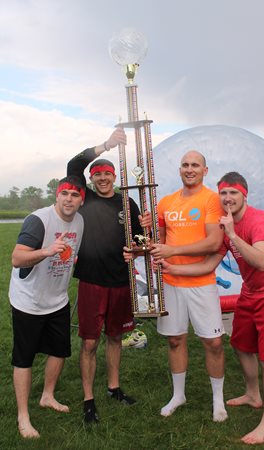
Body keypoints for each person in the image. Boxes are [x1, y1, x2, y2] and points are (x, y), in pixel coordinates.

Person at [158, 171, 264, 445]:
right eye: (223, 193)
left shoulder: (259, 221)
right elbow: (209, 265)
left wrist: (232, 234)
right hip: (250, 292)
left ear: (245, 195)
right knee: (241, 345)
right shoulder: (226, 225)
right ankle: (253, 394)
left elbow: (262, 261)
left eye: (233, 193)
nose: (228, 198)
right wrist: (173, 268)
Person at [67, 128, 151, 424]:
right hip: (91, 279)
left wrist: (139, 245)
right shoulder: (86, 198)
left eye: (107, 174)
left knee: (115, 336)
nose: (102, 178)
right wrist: (106, 145)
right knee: (90, 342)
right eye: (98, 175)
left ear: (114, 177)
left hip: (120, 281)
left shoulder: (126, 203)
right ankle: (88, 400)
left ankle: (113, 388)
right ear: (92, 179)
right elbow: (73, 165)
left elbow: (141, 243)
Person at [149, 150, 228, 422]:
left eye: (195, 165)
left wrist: (172, 251)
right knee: (175, 340)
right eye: (185, 164)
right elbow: (157, 241)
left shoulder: (211, 199)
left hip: (201, 283)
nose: (189, 169)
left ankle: (218, 400)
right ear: (179, 169)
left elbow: (213, 243)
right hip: (171, 282)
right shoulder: (166, 202)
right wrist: (148, 233)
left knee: (214, 342)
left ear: (205, 170)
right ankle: (178, 395)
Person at [9, 176, 85, 439]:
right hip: (28, 301)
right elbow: (17, 258)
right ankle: (23, 415)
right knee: (24, 358)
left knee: (59, 350)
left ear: (81, 200)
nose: (69, 199)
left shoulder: (80, 221)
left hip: (57, 300)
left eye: (75, 196)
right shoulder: (38, 220)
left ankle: (47, 396)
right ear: (57, 195)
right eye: (65, 194)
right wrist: (46, 251)